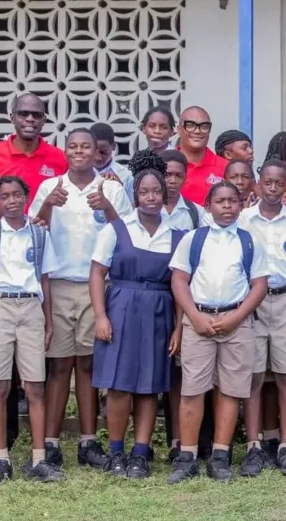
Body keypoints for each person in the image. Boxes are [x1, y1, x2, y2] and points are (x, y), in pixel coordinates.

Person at [31, 128, 132, 470]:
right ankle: (51, 441)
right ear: (65, 151)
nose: (79, 152)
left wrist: (108, 208)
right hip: (59, 284)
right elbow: (34, 230)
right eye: (72, 146)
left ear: (96, 151)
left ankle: (88, 441)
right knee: (59, 365)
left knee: (89, 365)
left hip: (97, 286)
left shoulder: (111, 188)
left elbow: (127, 235)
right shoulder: (50, 186)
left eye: (85, 147)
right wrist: (47, 204)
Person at [0, 175, 61, 484]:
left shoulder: (39, 234)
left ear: (26, 198)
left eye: (17, 194)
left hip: (30, 306)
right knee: (0, 386)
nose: (12, 201)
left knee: (35, 386)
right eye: (5, 196)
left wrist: (48, 321)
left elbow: (44, 280)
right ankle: (1, 458)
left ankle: (39, 459)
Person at [169, 181, 269, 483]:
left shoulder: (250, 241)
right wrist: (194, 316)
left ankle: (220, 456)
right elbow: (179, 280)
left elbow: (259, 285)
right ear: (208, 206)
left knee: (231, 389)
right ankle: (187, 457)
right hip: (199, 318)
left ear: (241, 204)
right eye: (220, 201)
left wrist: (237, 317)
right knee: (192, 389)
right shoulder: (194, 239)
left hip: (237, 321)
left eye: (233, 201)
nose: (227, 206)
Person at [91, 151, 180, 479]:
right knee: (118, 385)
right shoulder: (116, 229)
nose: (151, 197)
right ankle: (116, 451)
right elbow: (97, 273)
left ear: (164, 195)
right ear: (135, 196)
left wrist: (179, 328)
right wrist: (101, 316)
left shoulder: (177, 234)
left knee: (149, 385)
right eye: (144, 192)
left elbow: (180, 284)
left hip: (159, 311)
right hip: (121, 308)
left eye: (156, 191)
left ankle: (141, 452)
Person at [239, 159, 286, 476]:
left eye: (279, 184)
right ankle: (254, 446)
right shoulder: (244, 218)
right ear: (258, 184)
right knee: (253, 377)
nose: (272, 189)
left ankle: (285, 445)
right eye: (267, 183)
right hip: (252, 303)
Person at [0, 93, 68, 189]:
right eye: (23, 114)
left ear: (43, 120)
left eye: (36, 115)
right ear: (12, 118)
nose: (30, 119)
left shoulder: (61, 158)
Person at [89, 122, 132, 188]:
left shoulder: (125, 175)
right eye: (94, 152)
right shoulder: (77, 173)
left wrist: (120, 188)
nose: (98, 158)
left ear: (114, 146)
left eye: (103, 153)